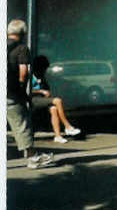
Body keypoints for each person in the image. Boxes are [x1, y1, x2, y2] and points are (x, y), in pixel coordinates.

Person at [6, 20, 53, 169]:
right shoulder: (21, 48)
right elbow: (23, 72)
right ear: (23, 33)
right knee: (21, 124)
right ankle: (33, 158)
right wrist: (21, 89)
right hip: (11, 93)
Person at [31, 55, 81, 143]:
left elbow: (46, 88)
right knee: (58, 101)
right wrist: (40, 91)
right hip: (33, 99)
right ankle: (67, 126)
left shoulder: (42, 76)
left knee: (54, 109)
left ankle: (57, 136)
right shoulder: (30, 75)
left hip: (41, 99)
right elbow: (26, 89)